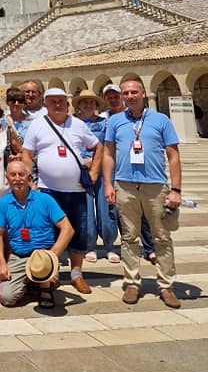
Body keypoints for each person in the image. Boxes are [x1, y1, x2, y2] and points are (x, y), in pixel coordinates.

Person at [104, 79, 183, 308]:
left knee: (162, 237)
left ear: (143, 93)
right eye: (126, 93)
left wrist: (176, 189)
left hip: (156, 186)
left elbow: (174, 156)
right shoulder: (116, 121)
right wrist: (109, 185)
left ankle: (166, 285)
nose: (130, 96)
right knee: (129, 237)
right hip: (125, 186)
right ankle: (132, 282)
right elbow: (109, 154)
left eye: (134, 92)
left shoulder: (161, 120)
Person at [22, 87, 102, 295]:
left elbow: (98, 147)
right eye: (52, 101)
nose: (57, 104)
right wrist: (31, 182)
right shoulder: (37, 125)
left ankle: (77, 274)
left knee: (78, 231)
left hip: (75, 190)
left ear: (67, 104)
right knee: (49, 232)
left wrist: (94, 173)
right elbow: (27, 154)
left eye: (61, 101)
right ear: (45, 104)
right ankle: (52, 271)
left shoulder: (78, 124)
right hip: (47, 190)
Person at [0, 160, 74, 308]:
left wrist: (53, 255)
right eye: (13, 175)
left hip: (43, 254)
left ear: (29, 177)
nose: (17, 178)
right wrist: (2, 264)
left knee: (44, 270)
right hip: (19, 256)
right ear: (7, 179)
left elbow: (68, 229)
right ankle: (32, 286)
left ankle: (44, 288)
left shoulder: (45, 200)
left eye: (21, 174)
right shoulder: (3, 203)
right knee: (7, 298)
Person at [73, 90, 119, 264]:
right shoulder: (73, 124)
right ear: (78, 106)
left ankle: (109, 245)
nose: (87, 105)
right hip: (81, 170)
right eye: (84, 102)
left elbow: (109, 146)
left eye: (91, 102)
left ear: (97, 105)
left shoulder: (105, 123)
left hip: (103, 170)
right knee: (85, 209)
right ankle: (90, 245)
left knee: (106, 206)